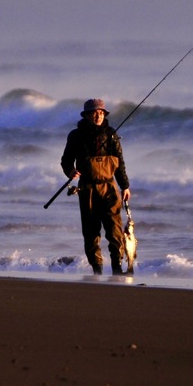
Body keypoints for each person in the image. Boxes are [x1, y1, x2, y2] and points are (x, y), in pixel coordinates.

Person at [61, 99, 131, 275]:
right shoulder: (75, 135)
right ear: (86, 115)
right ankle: (97, 270)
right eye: (94, 112)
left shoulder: (111, 134)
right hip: (87, 189)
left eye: (101, 112)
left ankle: (117, 267)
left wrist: (125, 186)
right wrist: (70, 172)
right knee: (91, 232)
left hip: (110, 188)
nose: (98, 115)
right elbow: (66, 160)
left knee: (114, 228)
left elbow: (120, 163)